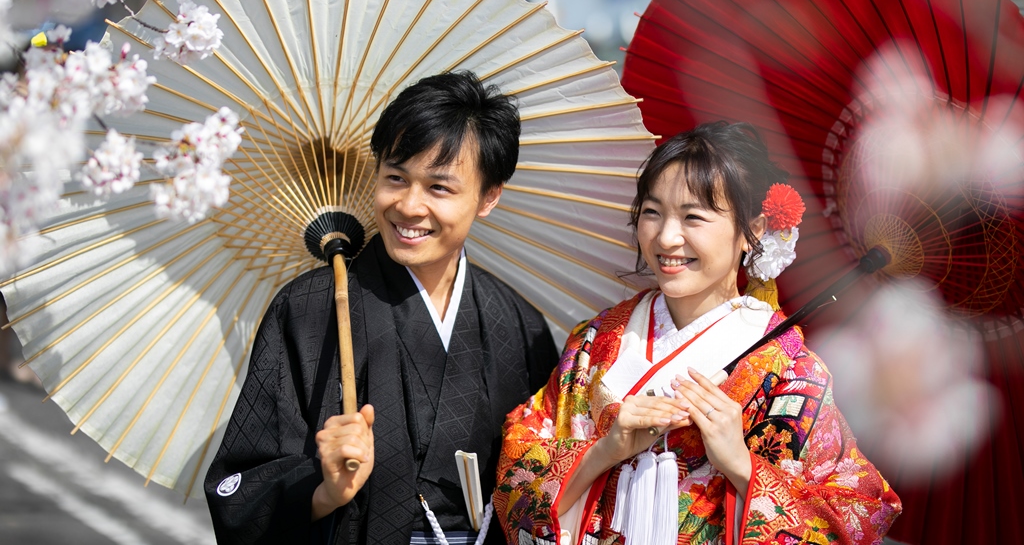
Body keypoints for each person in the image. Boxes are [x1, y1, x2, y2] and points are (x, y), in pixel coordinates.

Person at [495, 122, 902, 545]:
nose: (667, 238)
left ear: (754, 229)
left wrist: (742, 467)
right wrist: (604, 451)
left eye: (693, 217)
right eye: (652, 212)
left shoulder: (789, 371)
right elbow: (517, 470)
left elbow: (857, 510)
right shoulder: (594, 341)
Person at [205, 71, 559, 544]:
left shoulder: (518, 325)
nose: (408, 206)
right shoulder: (309, 310)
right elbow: (243, 487)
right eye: (395, 177)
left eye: (439, 188)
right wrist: (325, 488)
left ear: (489, 196)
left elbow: (545, 481)